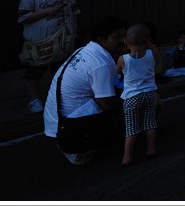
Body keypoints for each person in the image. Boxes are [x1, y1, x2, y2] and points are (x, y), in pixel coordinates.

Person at [44, 16, 128, 165]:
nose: (123, 41)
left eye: (124, 36)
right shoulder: (101, 63)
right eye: (117, 37)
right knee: (128, 105)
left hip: (56, 121)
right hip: (69, 125)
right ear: (102, 40)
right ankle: (82, 147)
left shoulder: (86, 50)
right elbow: (107, 104)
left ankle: (76, 143)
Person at [18, 0, 81, 114]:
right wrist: (45, 12)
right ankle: (34, 99)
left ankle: (56, 97)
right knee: (35, 72)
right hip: (39, 43)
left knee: (60, 71)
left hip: (63, 42)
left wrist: (75, 34)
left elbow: (74, 15)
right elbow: (22, 18)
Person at [116, 23, 161, 165]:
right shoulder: (152, 54)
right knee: (149, 124)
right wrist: (149, 44)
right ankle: (151, 149)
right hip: (150, 94)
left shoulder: (123, 59)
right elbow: (155, 50)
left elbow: (116, 72)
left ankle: (127, 157)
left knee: (131, 129)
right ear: (147, 40)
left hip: (131, 97)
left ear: (126, 41)